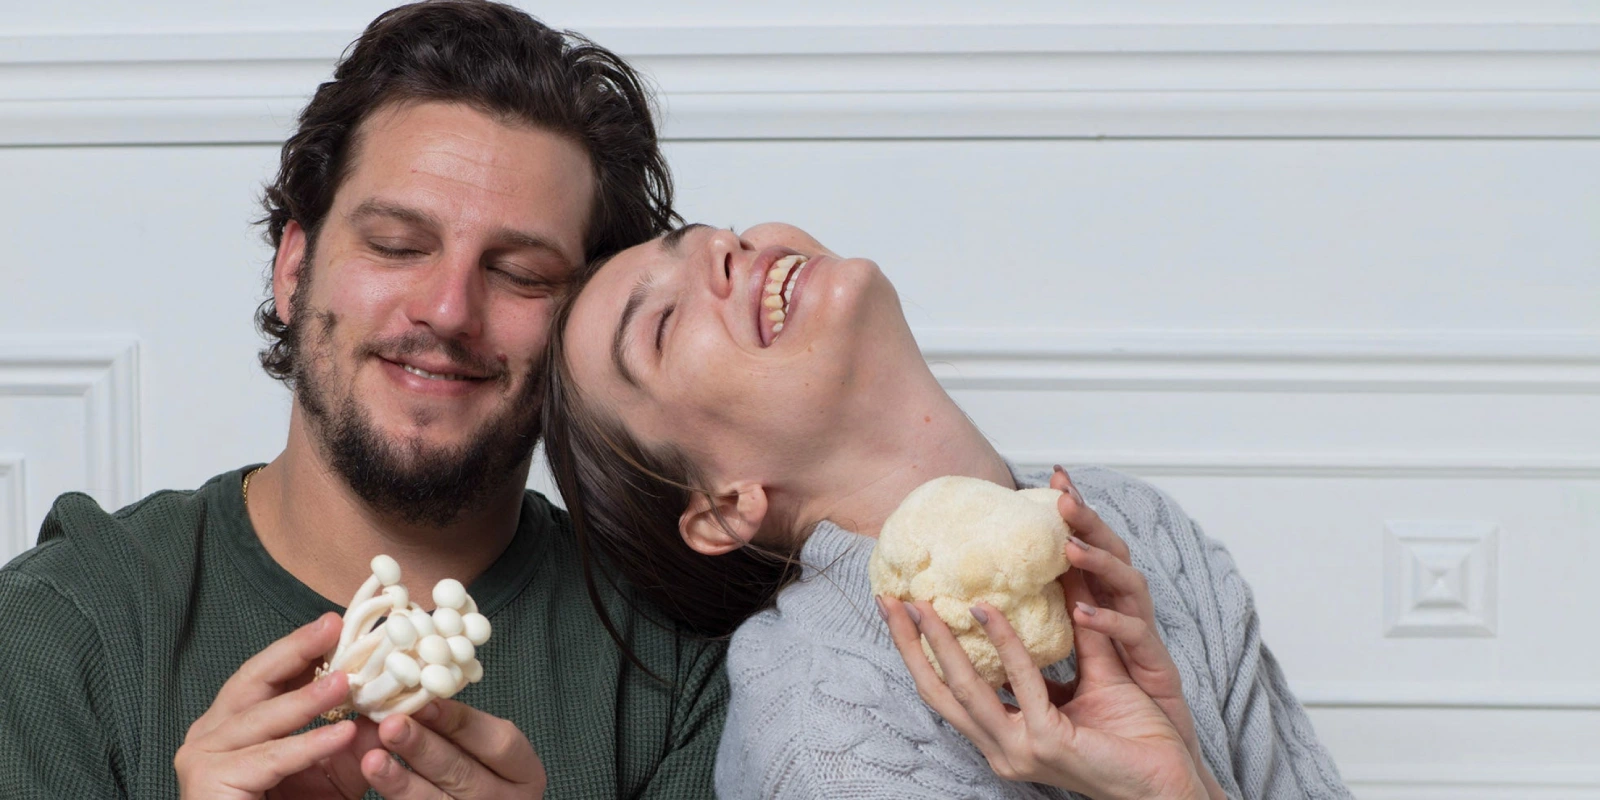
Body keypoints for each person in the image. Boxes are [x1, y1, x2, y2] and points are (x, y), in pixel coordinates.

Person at [0, 3, 728, 798]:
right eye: (396, 245)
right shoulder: (62, 628)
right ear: (293, 270)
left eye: (520, 274)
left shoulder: (684, 660)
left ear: (585, 324)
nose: (448, 310)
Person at [542, 222, 1355, 798]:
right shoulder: (821, 737)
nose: (726, 247)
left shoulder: (1130, 526)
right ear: (724, 509)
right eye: (662, 324)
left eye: (708, 235)